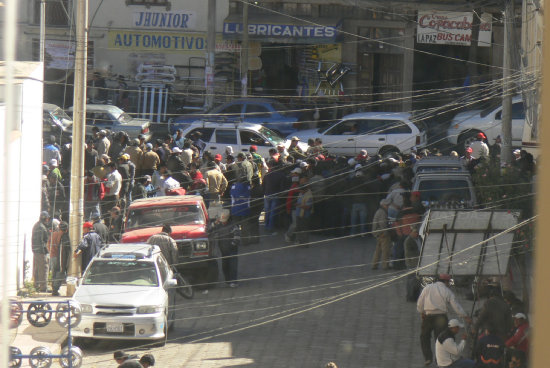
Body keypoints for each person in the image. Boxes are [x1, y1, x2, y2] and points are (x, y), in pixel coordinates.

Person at [417, 274, 472, 366]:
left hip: (428, 316)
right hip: (441, 318)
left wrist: (421, 312)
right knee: (440, 339)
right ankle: (439, 358)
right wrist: (465, 316)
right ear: (446, 282)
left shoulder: (427, 288)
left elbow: (420, 302)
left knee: (424, 337)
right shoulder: (447, 291)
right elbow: (456, 306)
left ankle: (428, 358)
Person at [47, 221, 71, 296]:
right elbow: (61, 249)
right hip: (59, 257)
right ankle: (55, 290)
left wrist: (51, 252)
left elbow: (48, 244)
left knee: (54, 272)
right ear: (66, 229)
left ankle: (54, 288)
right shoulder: (62, 236)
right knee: (60, 273)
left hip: (52, 256)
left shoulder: (53, 234)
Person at [32, 211, 51, 292]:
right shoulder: (41, 227)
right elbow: (41, 241)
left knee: (37, 269)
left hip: (36, 251)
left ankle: (36, 285)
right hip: (41, 252)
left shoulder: (37, 225)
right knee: (44, 269)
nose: (48, 220)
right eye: (47, 218)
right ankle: (43, 287)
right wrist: (46, 252)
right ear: (44, 218)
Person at [371, 198, 391, 270]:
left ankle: (374, 264)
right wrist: (385, 233)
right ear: (383, 205)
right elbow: (383, 224)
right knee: (385, 250)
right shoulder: (382, 212)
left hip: (377, 232)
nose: (388, 206)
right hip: (381, 232)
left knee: (378, 250)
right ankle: (385, 265)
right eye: (387, 205)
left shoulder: (379, 211)